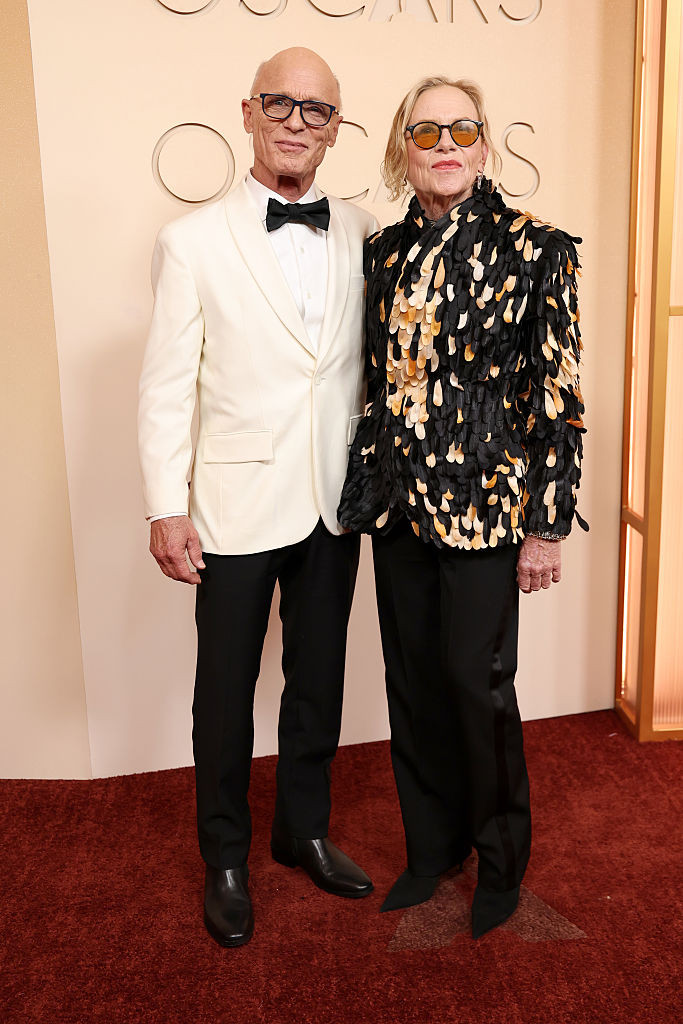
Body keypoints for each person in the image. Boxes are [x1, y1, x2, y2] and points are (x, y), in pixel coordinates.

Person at [138, 48, 378, 949]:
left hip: (334, 500)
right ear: (246, 111)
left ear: (335, 127)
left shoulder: (366, 229)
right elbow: (165, 385)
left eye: (315, 109)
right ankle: (226, 858)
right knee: (223, 692)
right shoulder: (190, 239)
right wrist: (166, 504)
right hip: (232, 505)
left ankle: (302, 829)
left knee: (317, 681)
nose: (295, 121)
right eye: (279, 102)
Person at [338, 76, 587, 939]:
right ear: (402, 151)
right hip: (397, 503)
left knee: (475, 684)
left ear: (484, 147)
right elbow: (368, 379)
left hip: (486, 503)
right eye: (426, 129)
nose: (445, 143)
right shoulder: (380, 255)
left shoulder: (537, 248)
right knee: (410, 683)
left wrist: (547, 525)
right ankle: (429, 847)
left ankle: (500, 857)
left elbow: (554, 396)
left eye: (462, 128)